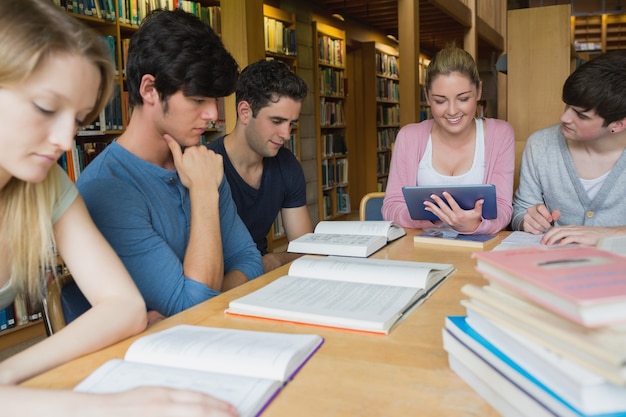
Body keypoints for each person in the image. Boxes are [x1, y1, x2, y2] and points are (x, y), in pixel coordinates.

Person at [0, 1, 237, 415]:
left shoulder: (47, 183)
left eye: (76, 117)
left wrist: (10, 371)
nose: (63, 139)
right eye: (44, 107)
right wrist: (111, 406)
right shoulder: (98, 182)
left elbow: (124, 308)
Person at [76, 9, 263, 319]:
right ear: (149, 89)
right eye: (198, 99)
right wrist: (203, 191)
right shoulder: (107, 189)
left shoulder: (201, 161)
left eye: (214, 101)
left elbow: (249, 261)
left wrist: (207, 296)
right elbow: (191, 308)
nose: (213, 115)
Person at [381, 45, 515, 234]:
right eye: (440, 101)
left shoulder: (500, 134)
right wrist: (435, 218)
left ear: (478, 92)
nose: (452, 111)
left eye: (463, 98)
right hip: (421, 251)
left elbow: (503, 208)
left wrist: (476, 226)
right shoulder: (409, 137)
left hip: (477, 249)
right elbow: (391, 207)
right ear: (427, 97)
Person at [207, 59, 313, 272]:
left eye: (291, 124)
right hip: (214, 283)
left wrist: (273, 261)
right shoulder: (205, 166)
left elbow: (305, 249)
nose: (286, 135)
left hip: (259, 275)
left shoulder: (287, 165)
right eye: (276, 121)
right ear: (245, 112)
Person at [512, 50, 626, 246]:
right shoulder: (540, 144)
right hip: (554, 267)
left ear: (618, 124)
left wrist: (609, 233)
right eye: (567, 106)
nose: (564, 118)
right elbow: (521, 209)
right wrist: (526, 219)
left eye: (581, 115)